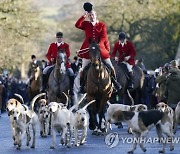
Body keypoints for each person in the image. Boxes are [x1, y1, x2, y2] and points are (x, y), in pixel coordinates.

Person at [75, 2, 121, 93]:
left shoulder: (102, 25)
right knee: (83, 69)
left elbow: (104, 37)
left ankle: (115, 83)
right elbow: (77, 25)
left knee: (111, 67)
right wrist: (83, 16)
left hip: (100, 49)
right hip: (88, 50)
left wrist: (98, 45)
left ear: (96, 15)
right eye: (90, 15)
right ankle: (82, 86)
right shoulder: (86, 24)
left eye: (93, 15)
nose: (91, 16)